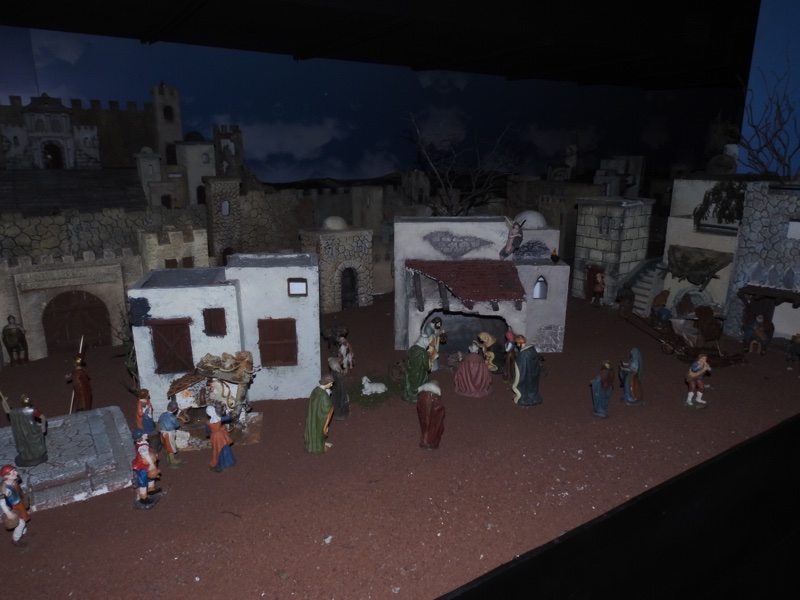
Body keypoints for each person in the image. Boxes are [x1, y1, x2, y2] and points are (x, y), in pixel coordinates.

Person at [7, 394, 48, 467]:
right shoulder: (20, 412)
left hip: (32, 430)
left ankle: (37, 455)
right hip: (24, 431)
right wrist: (43, 426)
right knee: (26, 444)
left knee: (36, 441)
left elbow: (43, 418)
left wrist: (43, 426)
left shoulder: (29, 411)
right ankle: (28, 456)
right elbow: (43, 417)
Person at [130, 428, 160, 509]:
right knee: (143, 481)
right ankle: (143, 497)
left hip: (148, 464)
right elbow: (146, 456)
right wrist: (152, 465)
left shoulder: (144, 442)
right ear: (140, 437)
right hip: (143, 467)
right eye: (144, 434)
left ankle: (151, 489)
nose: (146, 434)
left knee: (151, 477)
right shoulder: (142, 447)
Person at [2, 465, 31, 547]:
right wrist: (8, 513)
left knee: (24, 518)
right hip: (14, 508)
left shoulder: (14, 482)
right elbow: (2, 502)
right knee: (20, 524)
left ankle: (23, 532)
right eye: (13, 472)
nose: (16, 473)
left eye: (15, 470)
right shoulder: (6, 489)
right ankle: (15, 539)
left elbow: (18, 491)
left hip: (19, 504)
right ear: (6, 476)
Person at [304, 375, 335, 454]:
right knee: (320, 431)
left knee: (314, 430)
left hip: (314, 416)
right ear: (326, 382)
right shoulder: (323, 395)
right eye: (331, 383)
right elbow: (327, 407)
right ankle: (318, 447)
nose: (331, 385)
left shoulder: (315, 390)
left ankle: (317, 444)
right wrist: (328, 397)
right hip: (320, 418)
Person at [512, 335, 544, 406]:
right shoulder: (532, 350)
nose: (517, 345)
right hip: (534, 373)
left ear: (519, 343)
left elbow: (520, 369)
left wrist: (516, 383)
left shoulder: (522, 354)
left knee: (524, 387)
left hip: (526, 375)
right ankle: (533, 396)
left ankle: (525, 398)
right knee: (533, 386)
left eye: (517, 343)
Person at [206, 405, 236, 471]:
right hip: (221, 436)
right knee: (225, 448)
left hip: (214, 437)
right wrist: (227, 412)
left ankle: (223, 463)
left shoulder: (208, 422)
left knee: (218, 449)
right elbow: (228, 417)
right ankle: (228, 462)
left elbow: (207, 430)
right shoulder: (219, 418)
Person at [417, 380, 445, 449]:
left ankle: (427, 441)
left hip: (429, 413)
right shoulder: (435, 397)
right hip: (432, 415)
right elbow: (440, 408)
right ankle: (429, 442)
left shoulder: (423, 395)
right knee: (432, 428)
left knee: (428, 426)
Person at [402, 334, 430, 403]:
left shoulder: (412, 348)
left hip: (411, 371)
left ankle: (409, 395)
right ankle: (417, 396)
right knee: (419, 384)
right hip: (420, 373)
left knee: (411, 383)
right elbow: (426, 365)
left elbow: (408, 360)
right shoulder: (423, 352)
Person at [158, 400, 185, 468]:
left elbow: (159, 421)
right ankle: (172, 460)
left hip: (163, 432)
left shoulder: (163, 414)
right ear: (175, 410)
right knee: (170, 446)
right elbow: (176, 425)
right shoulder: (172, 417)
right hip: (169, 433)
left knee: (166, 445)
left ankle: (169, 457)